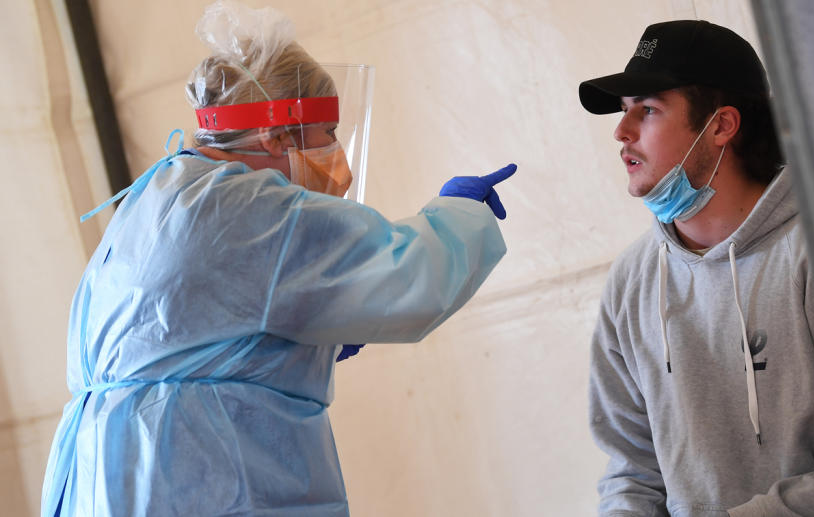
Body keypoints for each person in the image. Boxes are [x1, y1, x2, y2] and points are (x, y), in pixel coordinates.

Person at [40, 1, 516, 516]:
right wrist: (460, 212)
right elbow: (411, 277)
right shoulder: (245, 206)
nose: (338, 157)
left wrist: (284, 349)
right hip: (201, 475)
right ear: (276, 134)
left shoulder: (160, 195)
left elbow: (186, 339)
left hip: (110, 483)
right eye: (328, 134)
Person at [579, 20, 814, 516]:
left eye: (647, 110)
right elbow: (631, 468)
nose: (621, 132)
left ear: (720, 125)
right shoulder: (632, 281)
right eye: (625, 112)